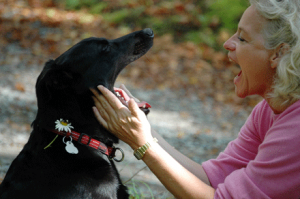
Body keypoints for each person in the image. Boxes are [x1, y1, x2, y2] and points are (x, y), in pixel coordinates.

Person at [91, 0, 300, 198]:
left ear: (279, 54)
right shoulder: (268, 110)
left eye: (242, 39)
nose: (227, 43)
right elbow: (212, 179)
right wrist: (144, 128)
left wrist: (141, 143)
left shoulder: (295, 131)